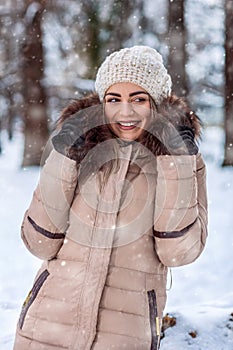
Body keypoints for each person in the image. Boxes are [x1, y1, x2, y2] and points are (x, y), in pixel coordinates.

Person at [13, 45, 208, 350]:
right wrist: (65, 156)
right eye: (113, 99)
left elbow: (178, 252)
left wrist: (177, 160)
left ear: (156, 104)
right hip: (45, 329)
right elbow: (39, 241)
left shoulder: (180, 162)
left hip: (123, 337)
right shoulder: (79, 151)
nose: (125, 112)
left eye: (138, 99)